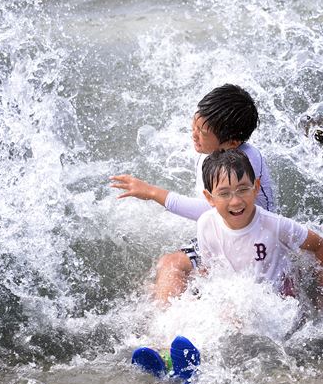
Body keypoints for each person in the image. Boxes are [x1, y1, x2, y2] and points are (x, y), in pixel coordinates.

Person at [110, 84, 276, 304]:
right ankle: (165, 327)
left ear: (232, 143)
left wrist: (151, 192)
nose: (194, 135)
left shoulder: (240, 166)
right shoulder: (214, 150)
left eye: (203, 132)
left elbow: (213, 210)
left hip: (252, 243)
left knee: (175, 267)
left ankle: (168, 330)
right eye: (194, 124)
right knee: (162, 271)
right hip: (227, 231)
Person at [197, 149, 323, 310]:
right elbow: (210, 269)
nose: (235, 201)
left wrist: (321, 295)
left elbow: (319, 245)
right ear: (209, 198)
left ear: (256, 188)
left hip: (280, 305)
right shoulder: (206, 224)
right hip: (241, 302)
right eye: (224, 193)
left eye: (243, 189)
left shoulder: (274, 225)